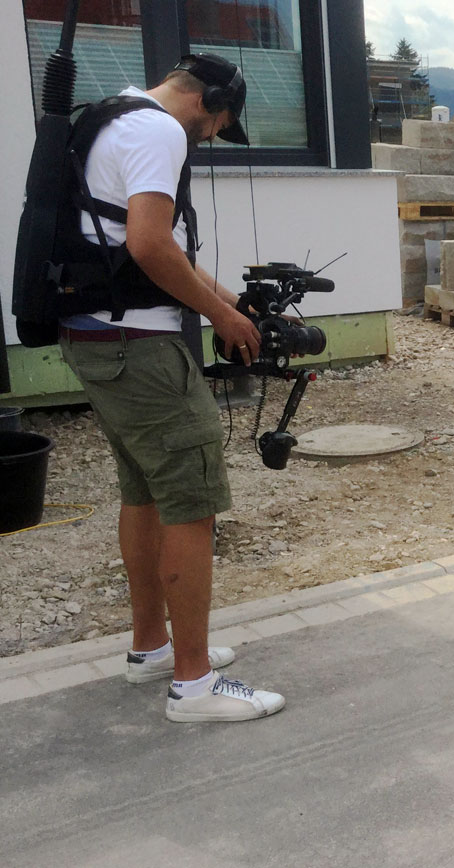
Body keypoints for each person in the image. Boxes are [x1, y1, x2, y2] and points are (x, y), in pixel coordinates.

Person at [57, 54, 285, 721]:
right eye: (217, 126)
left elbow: (162, 253)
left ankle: (153, 647)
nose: (210, 137)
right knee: (192, 500)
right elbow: (151, 246)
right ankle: (194, 686)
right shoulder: (159, 131)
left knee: (146, 492)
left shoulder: (112, 117)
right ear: (205, 103)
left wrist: (233, 304)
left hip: (99, 337)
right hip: (141, 349)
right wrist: (219, 315)